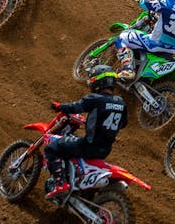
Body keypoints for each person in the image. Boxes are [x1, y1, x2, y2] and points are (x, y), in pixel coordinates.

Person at [44, 64, 127, 199]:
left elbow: (76, 107)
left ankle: (60, 184)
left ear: (99, 82)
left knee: (52, 148)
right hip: (105, 150)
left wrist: (60, 106)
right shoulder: (121, 102)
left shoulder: (95, 98)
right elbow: (122, 123)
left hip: (88, 146)